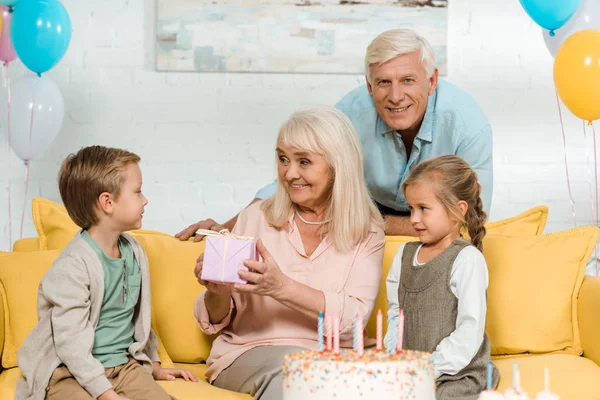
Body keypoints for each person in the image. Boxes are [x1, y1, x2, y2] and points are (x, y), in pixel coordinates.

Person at [176, 29, 492, 240]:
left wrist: (384, 224)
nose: (396, 96)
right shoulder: (350, 113)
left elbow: (472, 217)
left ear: (432, 80)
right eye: (383, 83)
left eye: (408, 80)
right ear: (369, 86)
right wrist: (227, 229)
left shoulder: (467, 123)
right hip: (367, 211)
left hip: (401, 216)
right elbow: (293, 178)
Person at [193, 105, 385, 400]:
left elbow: (353, 316)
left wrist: (281, 287)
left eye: (304, 162)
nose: (289, 173)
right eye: (283, 159)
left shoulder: (367, 230)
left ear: (338, 166)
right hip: (253, 352)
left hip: (337, 358)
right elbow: (220, 316)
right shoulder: (256, 217)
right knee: (300, 373)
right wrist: (218, 292)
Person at [16, 146, 197, 400]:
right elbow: (70, 345)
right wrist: (105, 394)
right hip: (68, 372)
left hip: (123, 367)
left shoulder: (134, 252)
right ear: (107, 202)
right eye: (137, 192)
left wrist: (154, 365)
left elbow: (137, 317)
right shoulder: (73, 265)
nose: (145, 200)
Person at [384, 155, 498, 399]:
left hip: (455, 373)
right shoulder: (404, 255)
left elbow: (470, 329)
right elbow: (395, 313)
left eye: (423, 209)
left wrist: (429, 368)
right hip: (410, 371)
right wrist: (395, 360)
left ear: (458, 210)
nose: (413, 219)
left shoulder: (467, 259)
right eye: (411, 209)